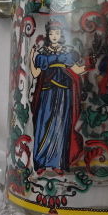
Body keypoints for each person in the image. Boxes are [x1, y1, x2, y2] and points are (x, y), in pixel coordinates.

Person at [30, 21, 86, 175]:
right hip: (47, 92)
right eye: (51, 33)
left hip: (63, 93)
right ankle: (40, 163)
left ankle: (58, 163)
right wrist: (31, 57)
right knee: (43, 125)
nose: (54, 36)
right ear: (48, 35)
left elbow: (78, 70)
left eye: (57, 33)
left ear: (61, 35)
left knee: (60, 127)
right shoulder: (43, 53)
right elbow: (35, 73)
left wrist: (91, 62)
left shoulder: (68, 53)